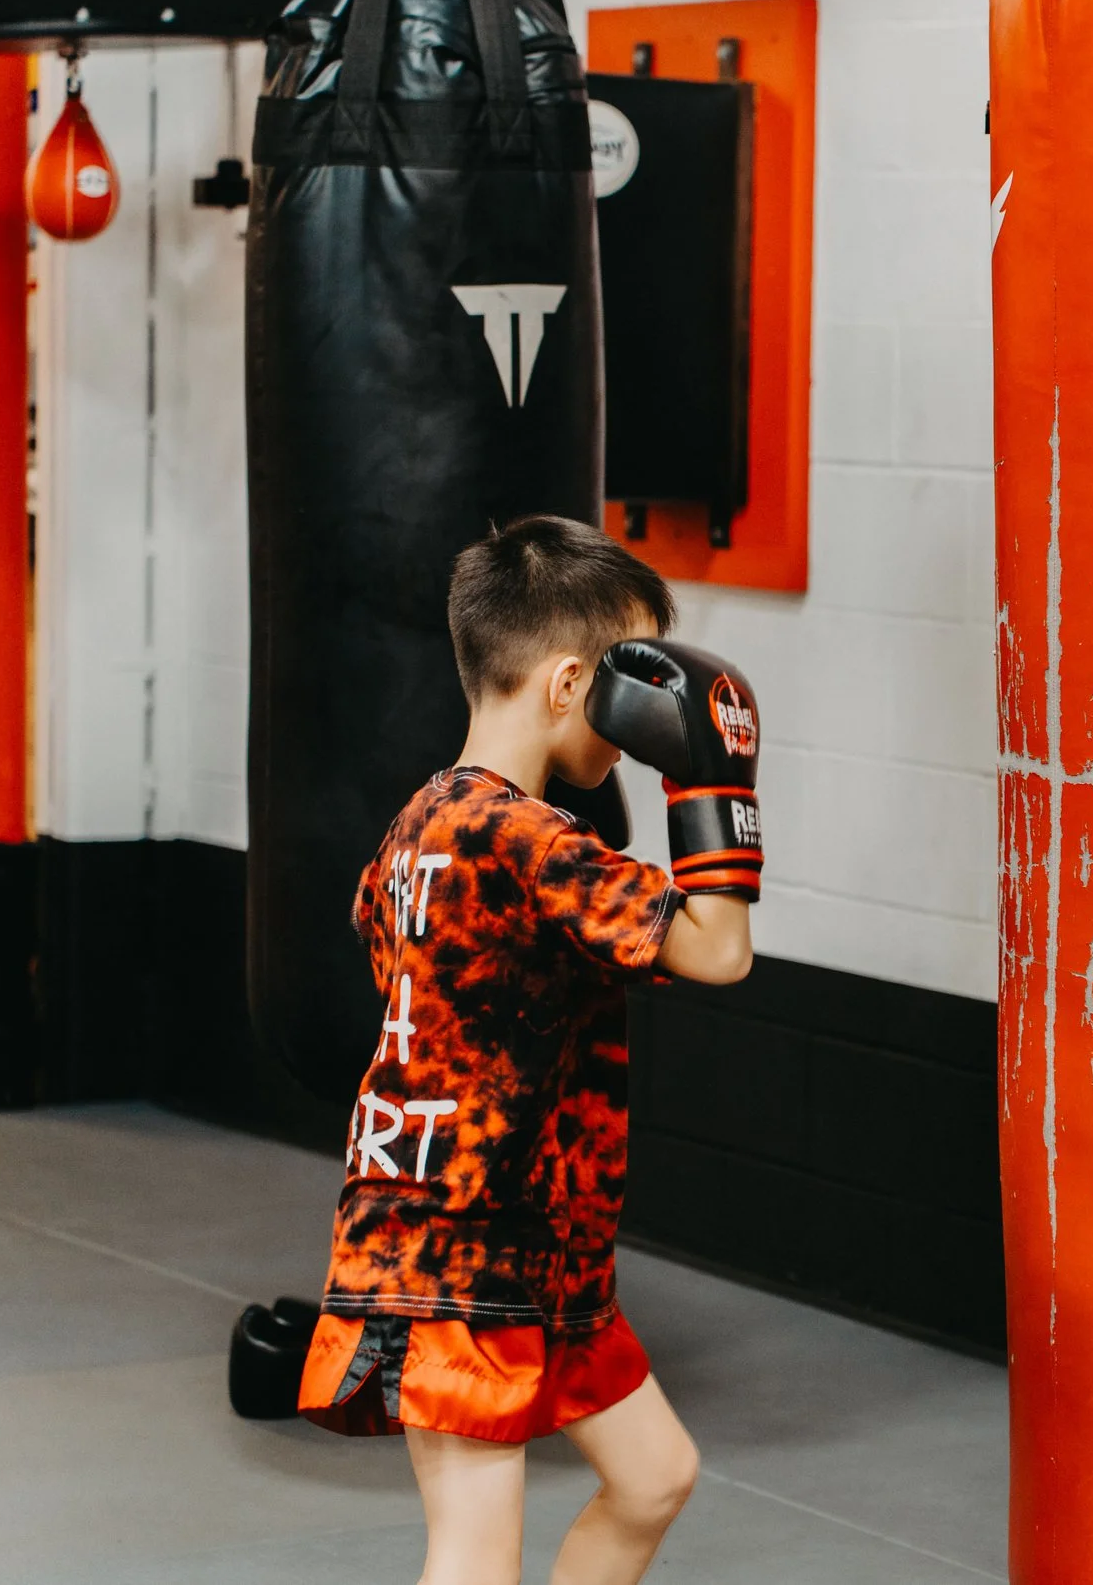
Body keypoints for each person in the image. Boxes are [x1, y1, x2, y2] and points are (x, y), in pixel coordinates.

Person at [297, 514, 764, 1585]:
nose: (631, 721)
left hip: (541, 1255)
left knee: (653, 1475)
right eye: (623, 687)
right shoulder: (530, 841)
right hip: (460, 1254)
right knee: (473, 1554)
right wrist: (708, 781)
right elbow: (719, 951)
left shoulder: (419, 823)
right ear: (568, 687)